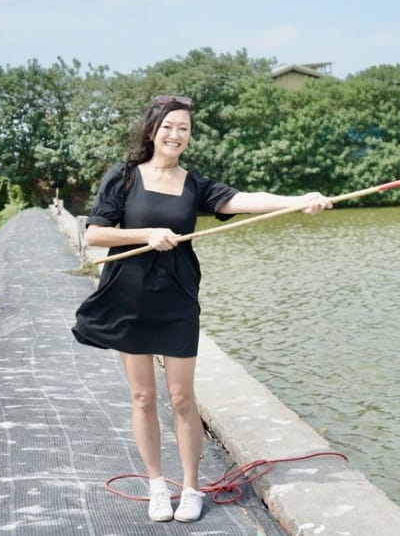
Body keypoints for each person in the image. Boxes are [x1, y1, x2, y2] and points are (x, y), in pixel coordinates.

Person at [72, 95, 331, 523]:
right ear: (153, 130)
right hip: (129, 297)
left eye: (185, 129)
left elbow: (244, 200)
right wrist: (147, 234)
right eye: (170, 126)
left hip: (176, 299)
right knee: (142, 396)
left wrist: (297, 200)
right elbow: (96, 234)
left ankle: (190, 488)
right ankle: (157, 486)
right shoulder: (123, 177)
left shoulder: (195, 185)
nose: (176, 135)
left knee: (180, 397)